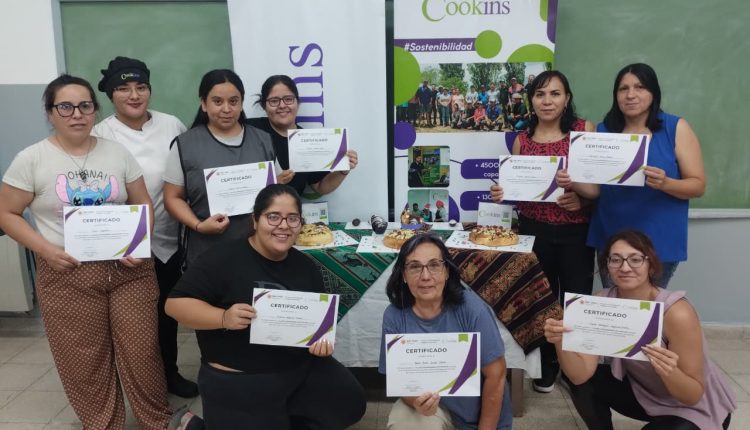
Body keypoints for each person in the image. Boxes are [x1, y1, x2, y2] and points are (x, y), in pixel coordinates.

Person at [0, 74, 195, 429]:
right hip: (67, 272)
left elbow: (142, 201)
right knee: (84, 358)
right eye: (66, 106)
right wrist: (46, 250)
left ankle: (156, 420)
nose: (77, 114)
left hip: (129, 270)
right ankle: (103, 424)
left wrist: (137, 241)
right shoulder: (31, 159)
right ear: (50, 112)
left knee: (142, 351)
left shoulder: (116, 152)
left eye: (85, 105)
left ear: (94, 110)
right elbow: (7, 214)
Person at [165, 184, 366, 428]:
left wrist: (320, 343)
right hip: (241, 377)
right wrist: (223, 317)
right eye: (273, 217)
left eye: (292, 218)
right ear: (255, 219)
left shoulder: (306, 266)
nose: (284, 225)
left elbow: (318, 325)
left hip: (297, 369)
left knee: (349, 402)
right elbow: (174, 305)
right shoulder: (222, 258)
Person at [544, 230, 736, 430]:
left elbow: (692, 395)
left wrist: (669, 371)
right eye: (615, 260)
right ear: (606, 266)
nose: (625, 267)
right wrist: (560, 340)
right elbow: (579, 376)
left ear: (650, 265)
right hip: (644, 393)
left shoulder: (677, 312)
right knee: (588, 383)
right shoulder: (602, 302)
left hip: (695, 407)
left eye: (635, 259)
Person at [92, 56, 197, 398]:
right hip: (124, 245)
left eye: (141, 87)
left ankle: (169, 373)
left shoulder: (171, 125)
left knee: (167, 312)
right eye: (123, 88)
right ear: (111, 94)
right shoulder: (100, 134)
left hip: (169, 238)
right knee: (135, 321)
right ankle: (140, 383)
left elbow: (189, 170)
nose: (134, 95)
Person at [490, 70, 598, 393]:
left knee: (576, 299)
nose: (547, 101)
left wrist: (580, 195)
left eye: (555, 93)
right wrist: (503, 193)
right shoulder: (521, 140)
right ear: (531, 101)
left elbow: (598, 188)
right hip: (533, 230)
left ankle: (579, 368)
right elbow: (519, 191)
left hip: (576, 231)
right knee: (543, 300)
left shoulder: (583, 131)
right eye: (540, 94)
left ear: (567, 99)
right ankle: (549, 364)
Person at [587, 63, 706, 288]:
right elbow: (593, 188)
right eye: (623, 89)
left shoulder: (675, 128)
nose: (630, 95)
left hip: (658, 240)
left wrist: (666, 183)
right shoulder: (602, 131)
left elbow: (698, 185)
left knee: (647, 305)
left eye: (640, 87)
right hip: (611, 238)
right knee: (614, 305)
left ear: (653, 92)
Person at [379, 234, 513, 430]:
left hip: (477, 417)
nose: (425, 276)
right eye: (415, 267)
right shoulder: (394, 316)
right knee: (405, 423)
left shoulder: (472, 310)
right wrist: (417, 402)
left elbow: (496, 375)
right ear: (403, 275)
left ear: (447, 271)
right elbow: (399, 380)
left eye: (434, 265)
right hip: (433, 411)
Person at [163, 69, 275, 269]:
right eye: (217, 101)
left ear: (241, 103)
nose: (226, 109)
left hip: (260, 249)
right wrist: (198, 225)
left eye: (233, 101)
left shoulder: (263, 140)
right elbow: (172, 197)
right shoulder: (185, 145)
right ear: (204, 104)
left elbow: (275, 192)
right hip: (206, 251)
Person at [247, 75, 358, 197]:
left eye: (288, 99)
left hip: (291, 208)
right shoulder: (249, 130)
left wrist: (343, 170)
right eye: (274, 101)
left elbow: (320, 186)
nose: (282, 105)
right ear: (264, 106)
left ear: (297, 102)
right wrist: (273, 183)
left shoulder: (307, 141)